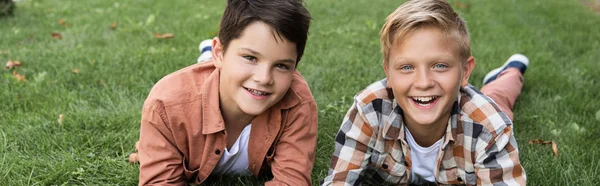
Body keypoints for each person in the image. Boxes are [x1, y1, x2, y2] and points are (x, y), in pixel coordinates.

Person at [321, 0, 527, 185]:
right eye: (407, 67)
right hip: (454, 99)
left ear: (465, 71)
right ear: (388, 74)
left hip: (473, 108)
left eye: (439, 66)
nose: (423, 82)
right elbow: (339, 181)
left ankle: (511, 72)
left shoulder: (489, 127)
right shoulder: (369, 110)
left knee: (498, 97)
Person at [129, 0, 317, 185]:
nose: (264, 78)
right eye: (250, 57)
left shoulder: (298, 104)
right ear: (219, 52)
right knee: (210, 73)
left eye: (281, 65)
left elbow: (292, 181)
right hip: (207, 81)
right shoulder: (166, 106)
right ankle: (207, 57)